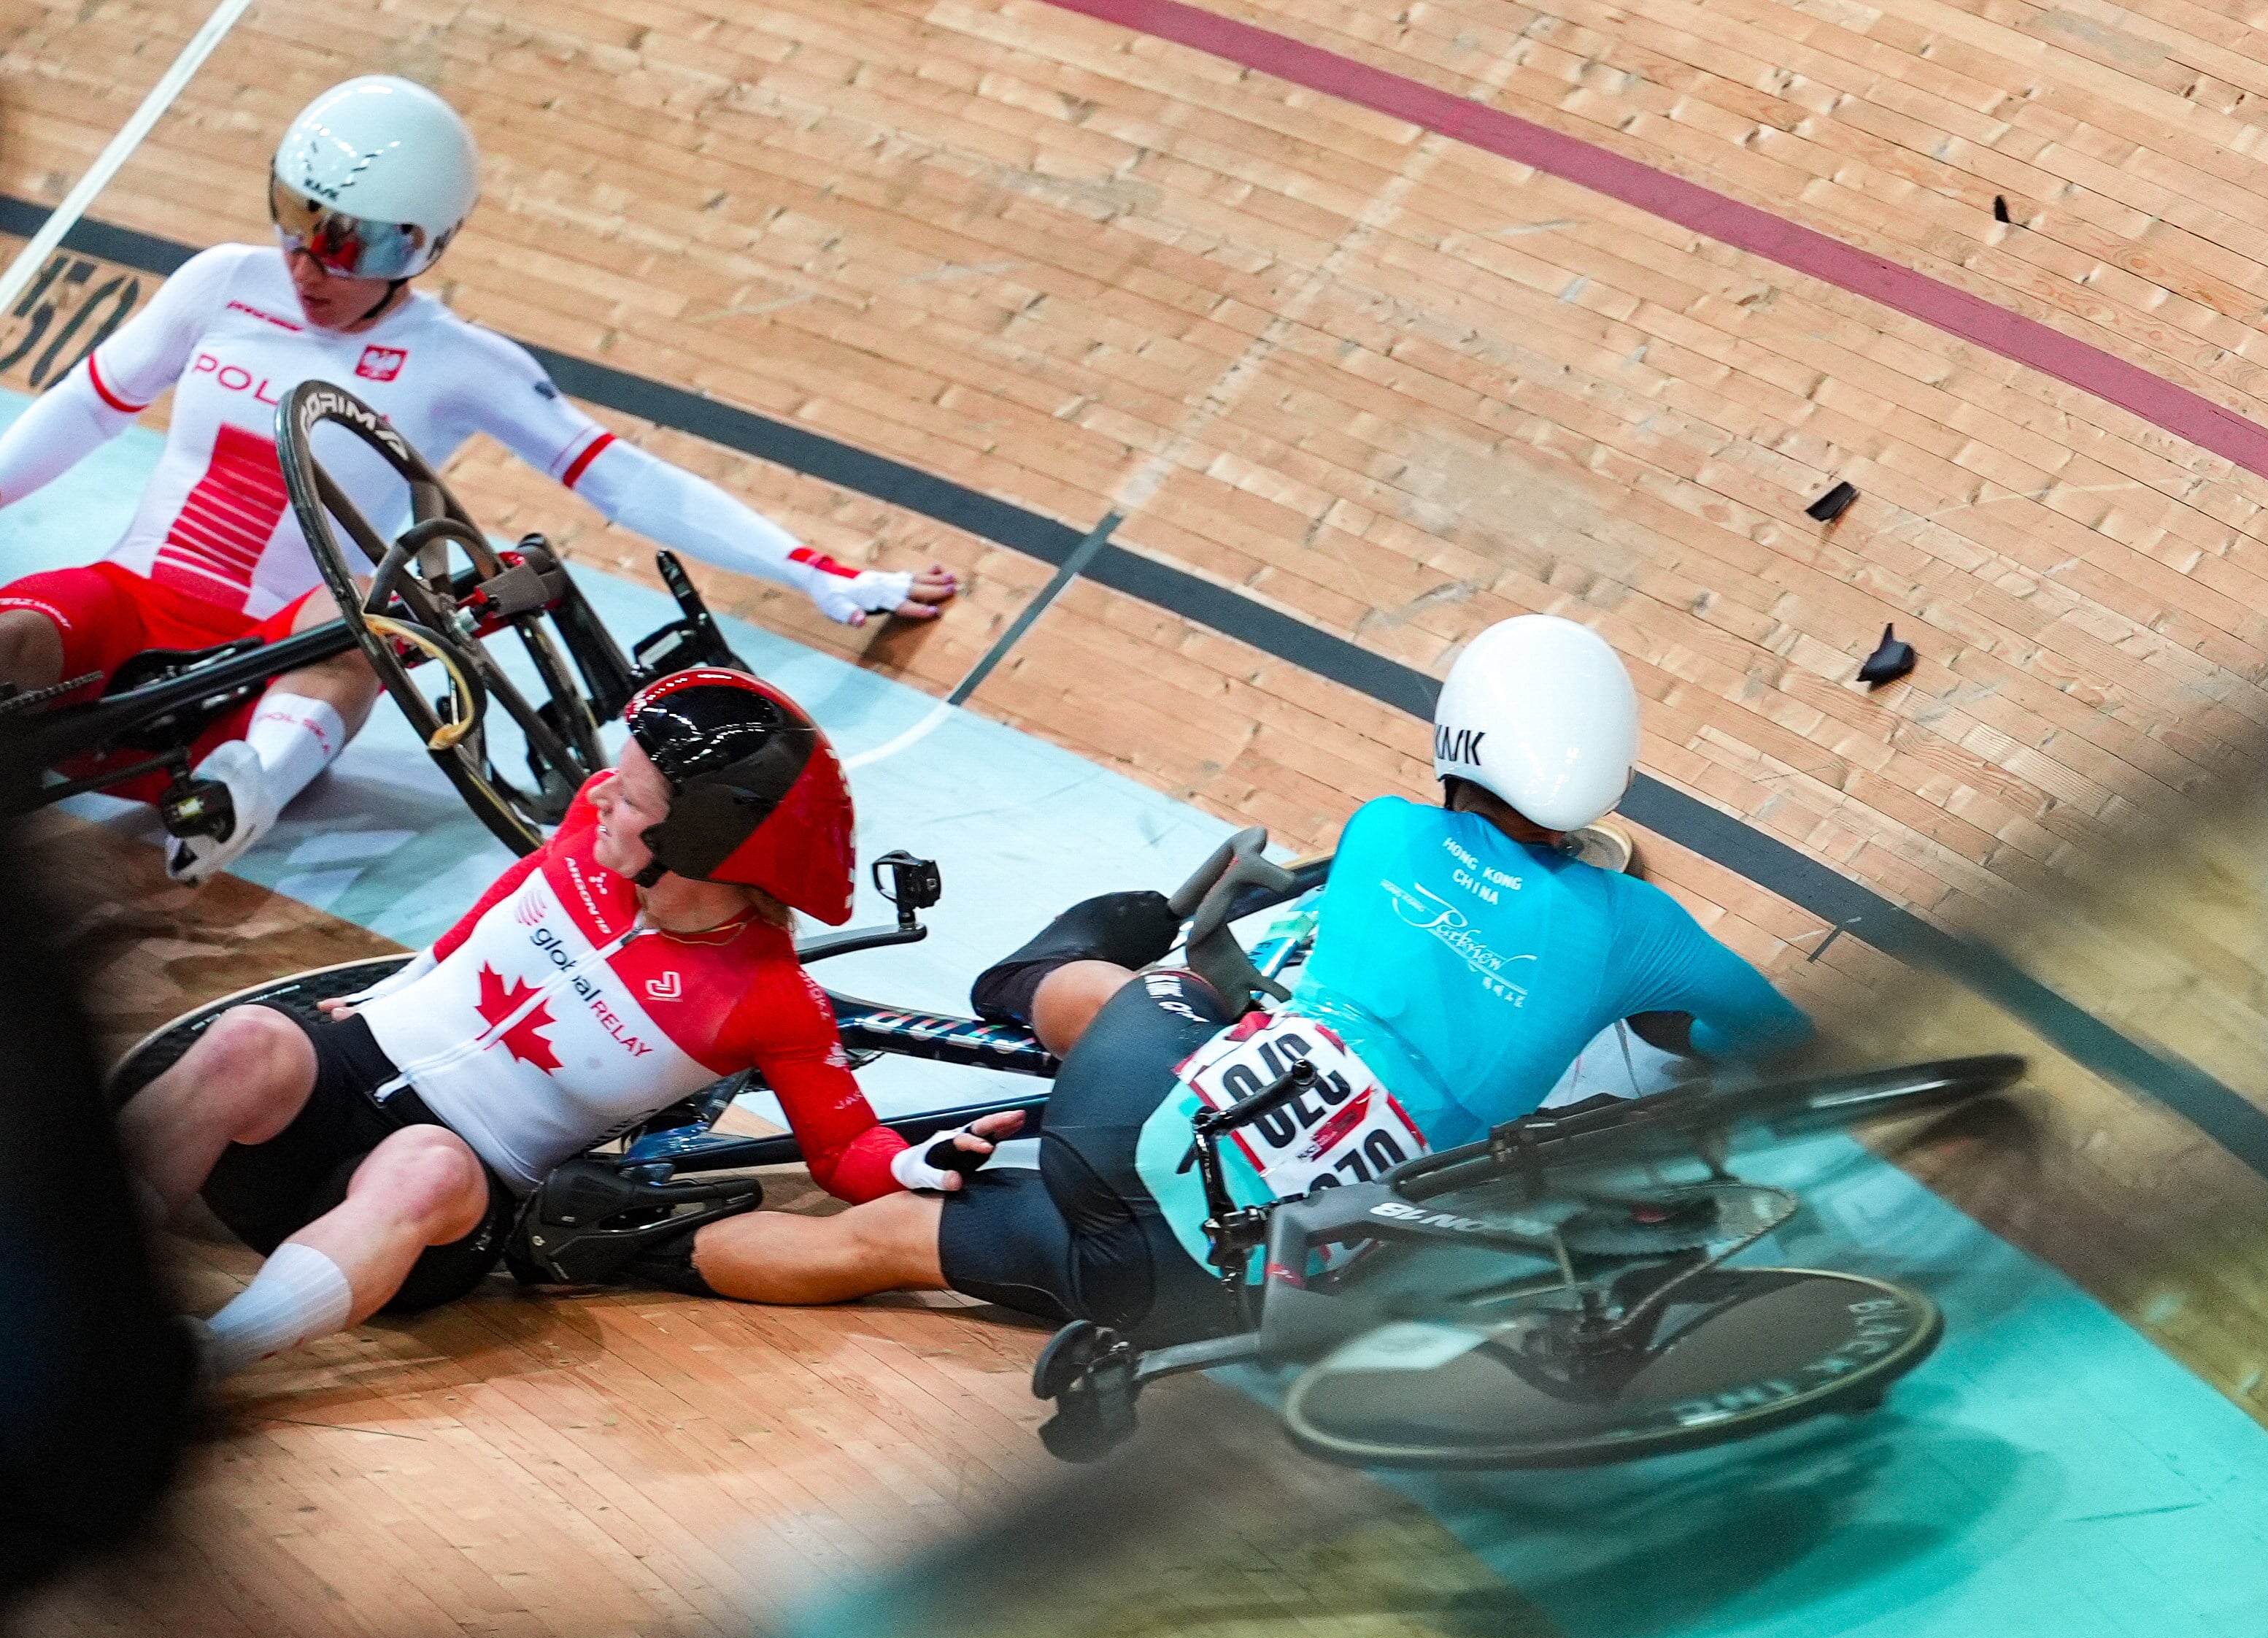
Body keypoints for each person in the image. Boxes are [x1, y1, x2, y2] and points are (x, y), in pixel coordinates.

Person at [609, 615, 1813, 1344]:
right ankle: (622, 1251)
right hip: (1234, 1271)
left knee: (1150, 981)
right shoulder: (1634, 925)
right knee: (886, 1242)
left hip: (1139, 1093)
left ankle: (1025, 981)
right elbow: (1784, 1036)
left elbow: (1293, 937)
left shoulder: (1387, 828)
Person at [0, 75, 957, 884]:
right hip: (127, 611)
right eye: (299, 222)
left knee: (373, 615)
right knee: (22, 634)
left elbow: (623, 482)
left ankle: (236, 798)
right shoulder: (221, 282)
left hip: (276, 663)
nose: (311, 264)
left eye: (354, 245)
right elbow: (87, 410)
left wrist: (824, 574)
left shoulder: (459, 361)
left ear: (425, 245)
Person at [117, 669, 965, 1383]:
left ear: (702, 841)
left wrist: (917, 1162)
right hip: (330, 1090)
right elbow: (499, 905)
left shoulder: (769, 996)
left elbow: (844, 1151)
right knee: (244, 1039)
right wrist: (405, 985)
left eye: (631, 796)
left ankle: (199, 1361)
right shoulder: (594, 817)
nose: (601, 798)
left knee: (427, 1163)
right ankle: (60, 1265)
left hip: (448, 1196)